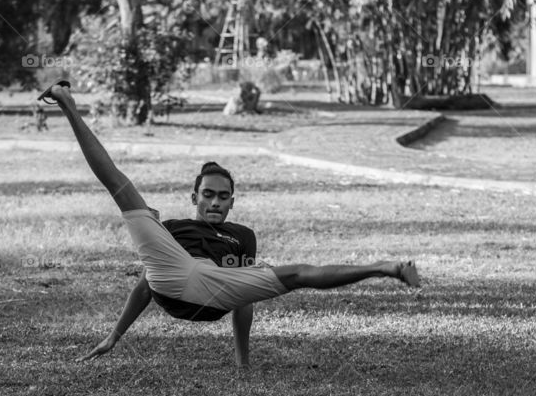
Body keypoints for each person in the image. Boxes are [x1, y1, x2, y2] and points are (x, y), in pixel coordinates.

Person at [38, 81, 420, 368]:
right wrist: (114, 336)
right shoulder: (171, 229)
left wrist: (242, 362)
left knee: (299, 273)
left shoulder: (241, 237)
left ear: (232, 202)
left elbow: (244, 296)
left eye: (223, 196)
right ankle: (68, 106)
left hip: (217, 290)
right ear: (195, 197)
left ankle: (385, 268)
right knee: (122, 188)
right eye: (207, 194)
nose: (215, 202)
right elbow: (144, 287)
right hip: (173, 276)